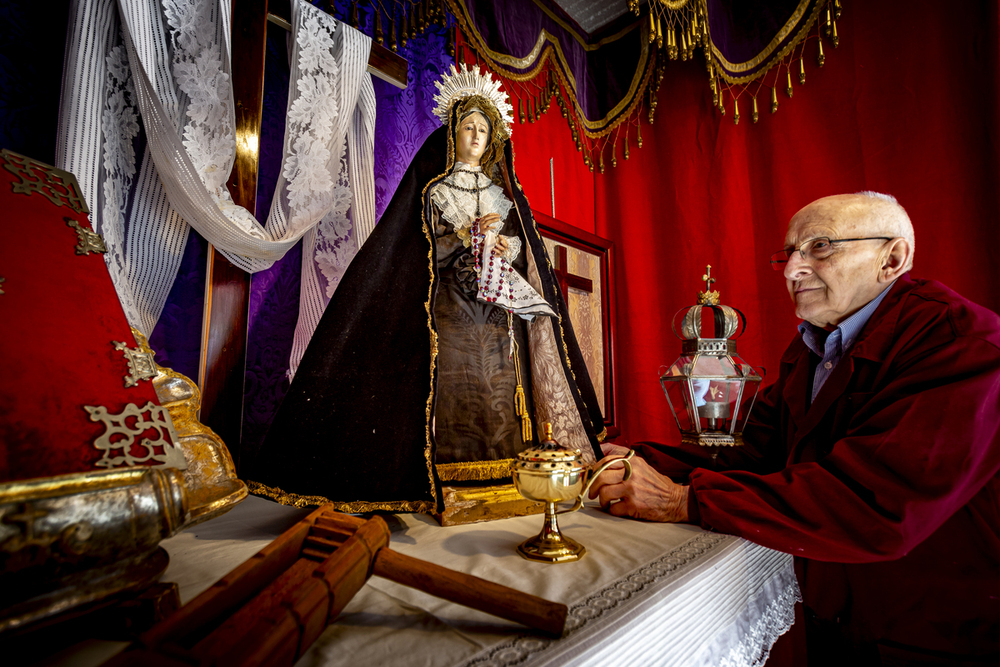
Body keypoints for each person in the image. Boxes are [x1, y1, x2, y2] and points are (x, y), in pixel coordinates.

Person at [590, 193, 1000, 665]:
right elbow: (753, 449)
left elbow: (880, 502)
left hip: (937, 630)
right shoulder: (811, 346)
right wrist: (629, 458)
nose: (791, 270)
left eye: (820, 247)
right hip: (840, 613)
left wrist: (683, 500)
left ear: (893, 258)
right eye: (788, 254)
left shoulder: (958, 339)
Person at [248, 65, 604, 513]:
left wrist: (498, 241)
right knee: (457, 379)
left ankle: (509, 468)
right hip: (451, 309)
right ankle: (449, 473)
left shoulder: (504, 195)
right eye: (468, 127)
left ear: (493, 138)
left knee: (508, 383)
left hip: (499, 310)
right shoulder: (435, 189)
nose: (475, 135)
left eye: (483, 129)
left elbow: (521, 248)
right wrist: (464, 236)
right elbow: (416, 247)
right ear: (453, 133)